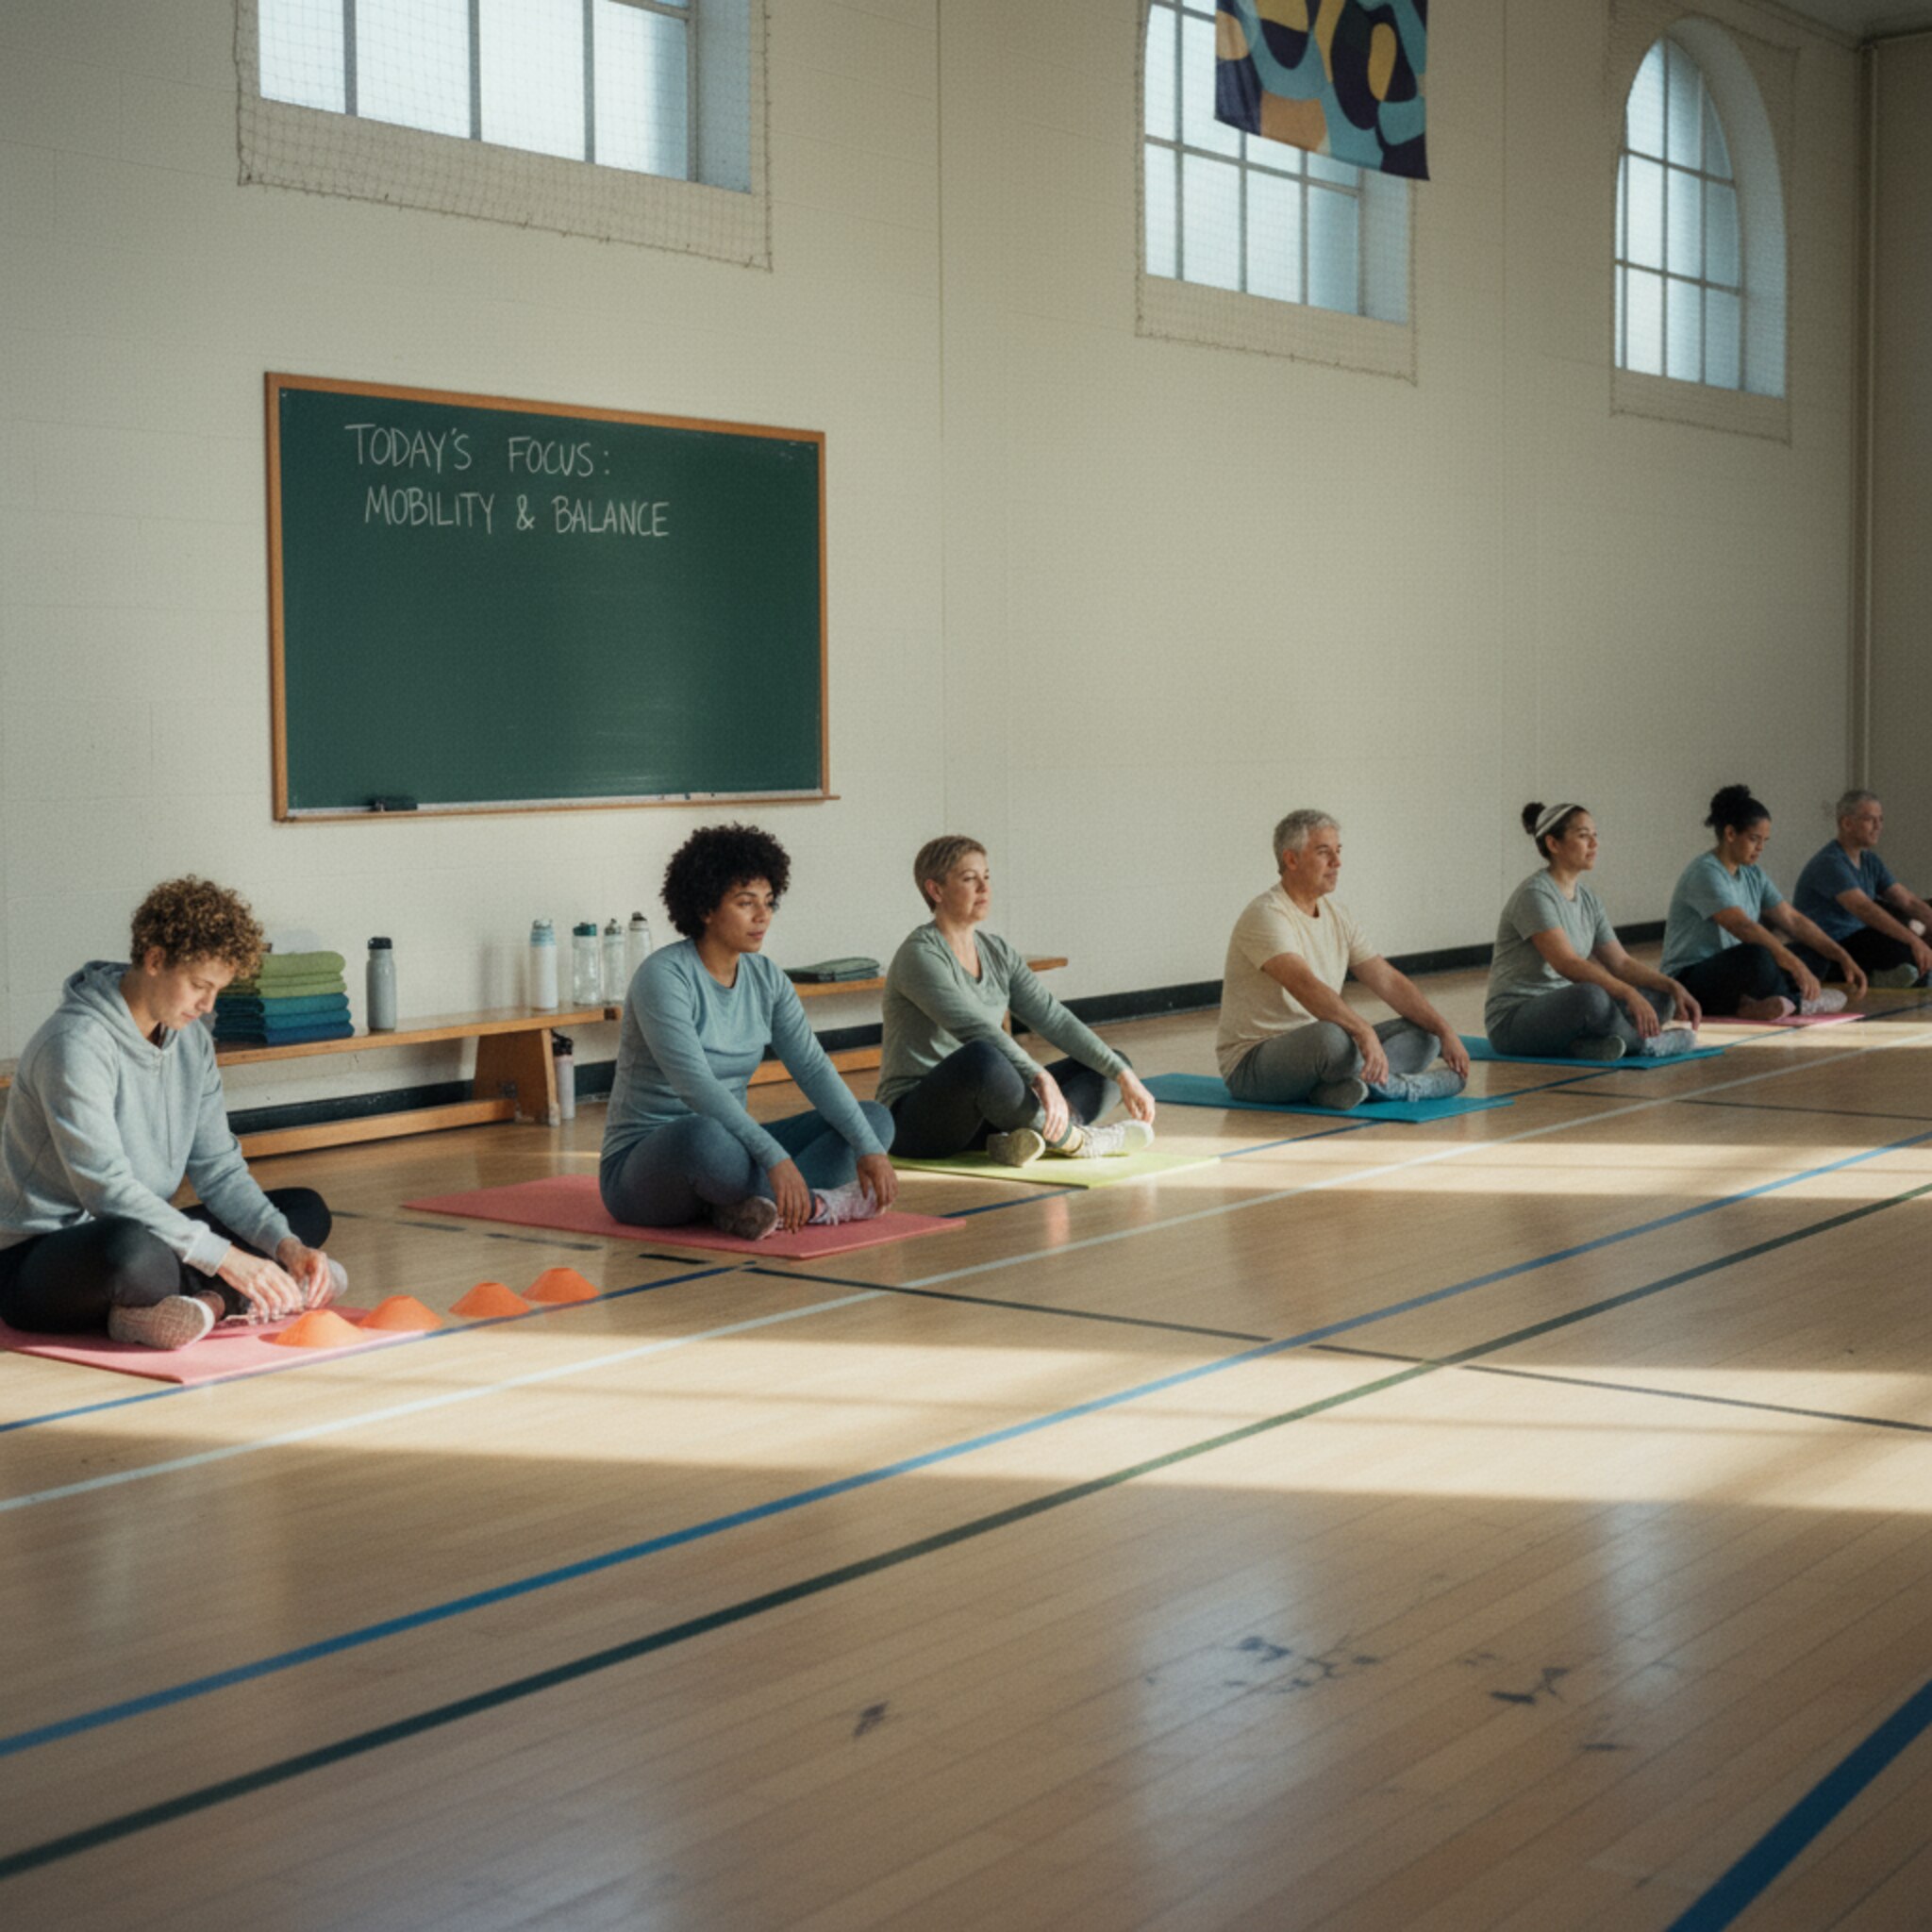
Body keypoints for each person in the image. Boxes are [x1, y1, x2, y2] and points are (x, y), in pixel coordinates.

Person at [0, 877, 341, 1351]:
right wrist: (230, 1260)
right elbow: (107, 1192)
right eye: (200, 986)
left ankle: (183, 1307)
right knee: (133, 1252)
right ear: (155, 960)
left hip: (147, 1230)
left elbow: (219, 1170)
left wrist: (284, 1246)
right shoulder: (74, 1045)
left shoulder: (191, 1040)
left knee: (303, 1211)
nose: (207, 1006)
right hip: (41, 1259)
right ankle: (227, 1296)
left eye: (218, 990)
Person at [600, 824, 896, 1241]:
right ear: (705, 908)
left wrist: (869, 1148)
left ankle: (743, 1206)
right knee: (703, 1137)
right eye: (745, 903)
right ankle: (817, 1204)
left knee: (873, 1120)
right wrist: (775, 1158)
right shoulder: (662, 977)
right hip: (646, 1167)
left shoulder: (767, 978)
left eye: (769, 903)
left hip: (733, 1149)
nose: (763, 916)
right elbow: (696, 1086)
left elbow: (811, 1068)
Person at [879, 837, 1158, 1166]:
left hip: (986, 1112)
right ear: (936, 891)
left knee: (1106, 1063)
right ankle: (1075, 1139)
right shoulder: (919, 955)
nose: (984, 887)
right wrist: (1040, 1077)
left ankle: (1026, 1136)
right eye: (970, 879)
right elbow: (977, 1030)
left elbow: (1054, 1018)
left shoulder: (998, 952)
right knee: (982, 1058)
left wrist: (1123, 1074)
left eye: (987, 876)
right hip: (916, 1121)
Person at [1215, 809, 1472, 1111]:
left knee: (1425, 1034)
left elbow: (1387, 980)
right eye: (1324, 853)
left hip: (1323, 1054)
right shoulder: (1266, 914)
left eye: (1338, 852)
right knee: (1333, 1038)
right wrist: (1363, 1032)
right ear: (1291, 859)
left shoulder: (1338, 916)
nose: (1337, 863)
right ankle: (1399, 1087)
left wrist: (1444, 1030)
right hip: (1254, 1066)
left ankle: (1337, 1088)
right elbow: (1305, 985)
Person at [1486, 804, 1702, 1059]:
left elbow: (1621, 962)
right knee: (1592, 998)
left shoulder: (1589, 899)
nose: (1594, 844)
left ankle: (1586, 1045)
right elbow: (1567, 963)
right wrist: (1627, 993)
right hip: (1514, 1021)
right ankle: (1646, 1045)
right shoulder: (1535, 895)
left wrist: (1673, 985)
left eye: (1595, 835)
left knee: (1659, 995)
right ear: (1553, 844)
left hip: (1564, 1013)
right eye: (1583, 835)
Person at [1661, 784, 1867, 1019]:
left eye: (1764, 841)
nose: (1760, 848)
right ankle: (1796, 1002)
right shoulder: (1705, 872)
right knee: (1757, 956)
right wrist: (1793, 964)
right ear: (1730, 834)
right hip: (1689, 978)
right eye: (1754, 839)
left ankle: (1750, 1007)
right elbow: (1742, 926)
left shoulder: (1753, 874)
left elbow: (1792, 919)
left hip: (1733, 974)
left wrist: (1840, 954)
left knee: (1815, 953)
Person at [1791, 791, 1932, 990]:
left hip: (1859, 941)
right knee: (1907, 948)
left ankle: (1889, 976)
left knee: (1916, 938)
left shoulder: (1870, 861)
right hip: (1829, 949)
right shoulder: (1829, 862)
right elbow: (1864, 909)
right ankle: (1877, 979)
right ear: (1847, 823)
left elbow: (1908, 901)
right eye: (1870, 819)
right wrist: (1913, 941)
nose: (1878, 826)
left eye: (1880, 820)